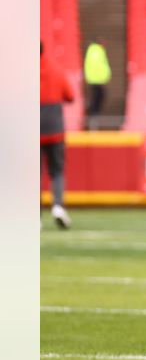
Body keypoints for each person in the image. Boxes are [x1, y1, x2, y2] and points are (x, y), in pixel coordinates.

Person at [41, 42, 75, 229]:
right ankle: (58, 206)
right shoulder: (56, 70)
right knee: (57, 171)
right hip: (54, 130)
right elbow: (70, 96)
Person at [83, 38, 111, 119]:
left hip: (94, 78)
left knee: (97, 96)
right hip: (96, 79)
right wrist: (104, 76)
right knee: (98, 96)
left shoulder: (92, 50)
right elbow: (98, 65)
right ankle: (93, 113)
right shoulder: (97, 51)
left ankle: (93, 112)